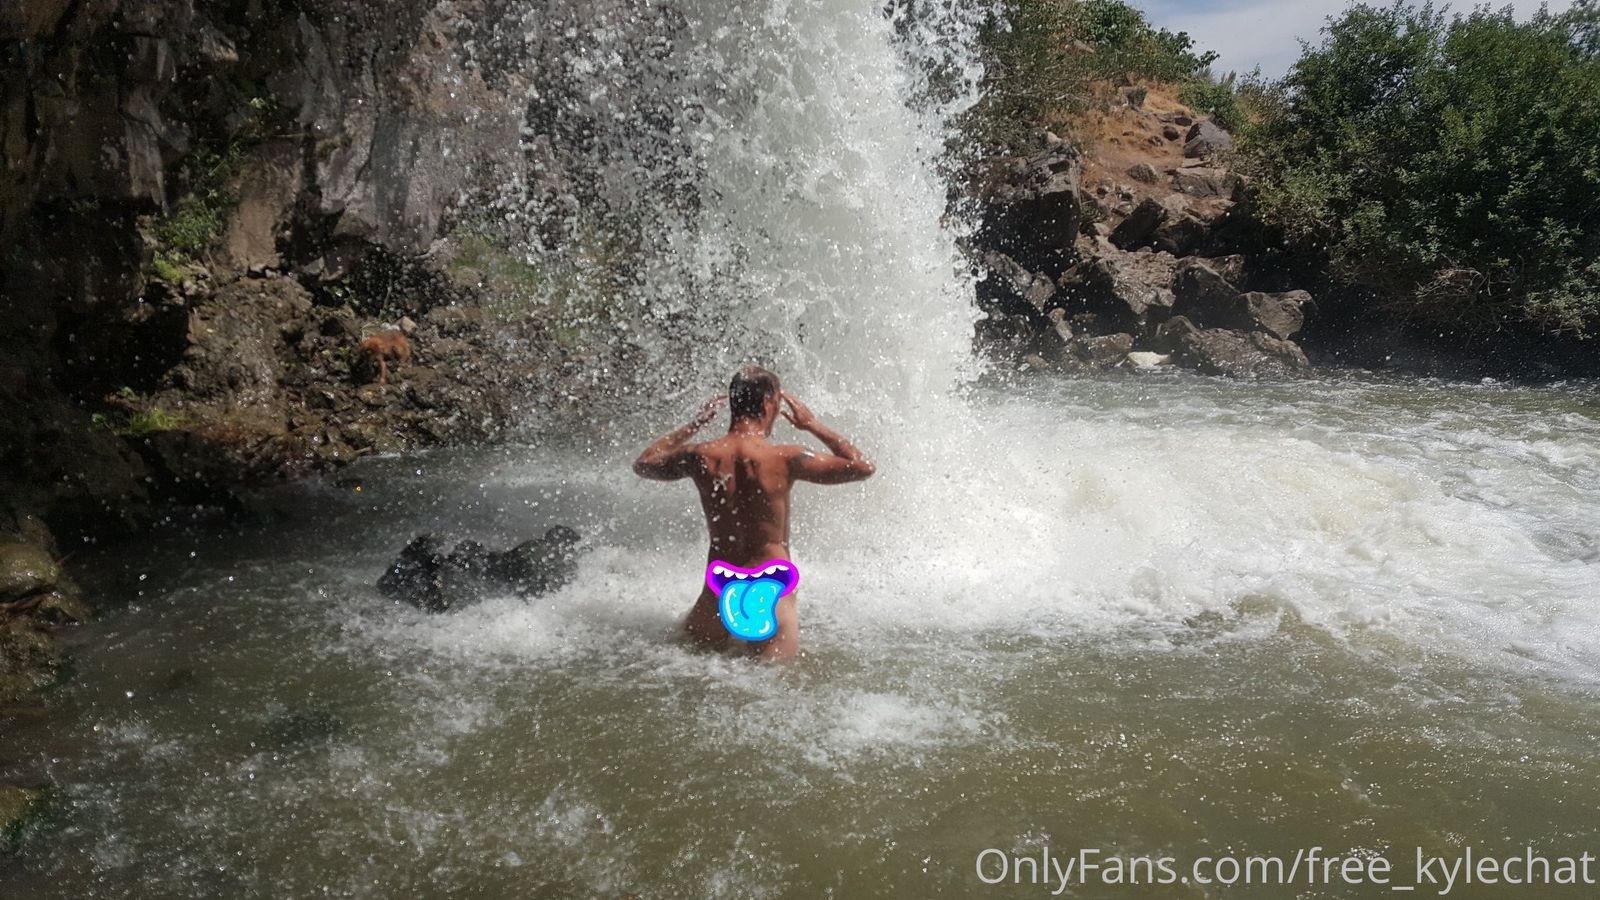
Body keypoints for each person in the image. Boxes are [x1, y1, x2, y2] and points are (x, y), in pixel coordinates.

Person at [633, 366, 875, 659]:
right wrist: (812, 425)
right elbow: (862, 467)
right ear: (767, 404)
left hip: (718, 593)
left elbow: (644, 463)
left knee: (697, 675)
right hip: (770, 589)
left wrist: (694, 424)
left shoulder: (701, 456)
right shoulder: (783, 458)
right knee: (772, 682)